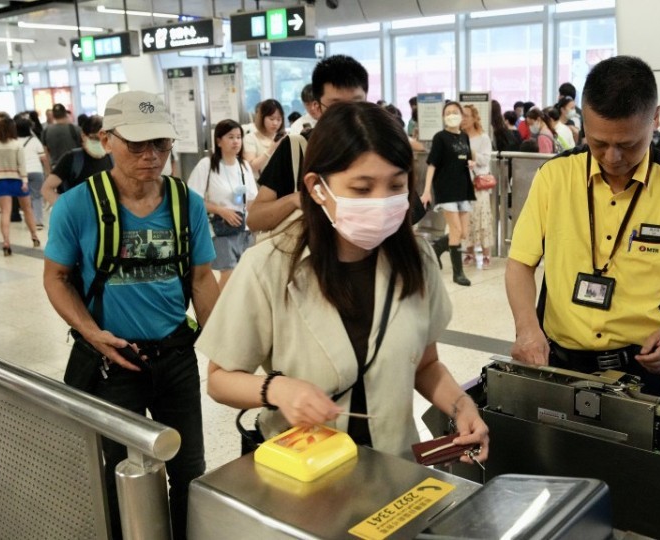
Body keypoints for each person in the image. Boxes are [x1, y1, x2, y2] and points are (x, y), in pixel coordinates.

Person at [197, 101, 489, 462]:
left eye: (395, 185)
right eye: (362, 190)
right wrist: (278, 389)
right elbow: (220, 379)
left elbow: (426, 366)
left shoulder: (417, 260)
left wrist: (461, 407)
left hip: (394, 471)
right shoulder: (269, 266)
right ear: (317, 188)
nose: (381, 202)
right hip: (305, 476)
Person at [43, 91, 219, 539]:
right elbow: (57, 278)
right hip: (112, 361)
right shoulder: (76, 206)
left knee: (189, 469)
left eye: (160, 144)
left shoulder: (186, 204)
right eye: (137, 144)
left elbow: (201, 279)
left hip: (176, 355)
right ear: (106, 140)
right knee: (122, 471)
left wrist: (223, 348)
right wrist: (91, 332)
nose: (151, 155)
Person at [506, 56, 660, 397]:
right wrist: (527, 329)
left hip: (644, 371)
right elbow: (521, 263)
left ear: (654, 119)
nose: (612, 157)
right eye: (598, 143)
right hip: (561, 364)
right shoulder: (555, 176)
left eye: (627, 144)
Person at [247, 55, 369, 233]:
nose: (349, 114)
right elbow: (255, 219)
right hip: (310, 257)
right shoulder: (297, 148)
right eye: (336, 106)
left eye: (357, 104)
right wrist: (295, 200)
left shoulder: (380, 146)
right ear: (317, 108)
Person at [187, 120, 258, 290]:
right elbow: (191, 199)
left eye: (239, 137)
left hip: (244, 229)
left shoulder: (244, 166)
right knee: (228, 276)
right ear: (219, 141)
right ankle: (218, 313)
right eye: (231, 137)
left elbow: (251, 200)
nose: (236, 142)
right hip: (220, 229)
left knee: (244, 276)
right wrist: (220, 210)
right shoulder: (207, 165)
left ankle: (236, 313)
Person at [420, 101, 475, 287]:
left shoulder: (464, 137)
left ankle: (437, 247)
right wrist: (427, 191)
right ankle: (458, 273)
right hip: (446, 189)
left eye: (454, 112)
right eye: (448, 113)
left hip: (464, 188)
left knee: (464, 232)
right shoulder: (440, 138)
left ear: (461, 115)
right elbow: (432, 165)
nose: (451, 115)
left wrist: (472, 164)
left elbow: (467, 159)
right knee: (456, 230)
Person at [0, 116, 38, 255]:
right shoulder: (17, 145)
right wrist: (25, 181)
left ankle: (6, 241)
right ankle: (34, 235)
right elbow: (22, 165)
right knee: (27, 209)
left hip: (1, 180)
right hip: (18, 180)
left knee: (5, 212)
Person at [42, 115, 113, 204]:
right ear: (84, 136)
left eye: (104, 139)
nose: (100, 142)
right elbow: (47, 189)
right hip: (79, 215)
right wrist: (66, 209)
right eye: (95, 138)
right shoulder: (72, 159)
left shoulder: (113, 157)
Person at [462, 104, 495, 269]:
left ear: (474, 117)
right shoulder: (459, 136)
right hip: (463, 183)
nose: (463, 119)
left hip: (479, 183)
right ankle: (469, 252)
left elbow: (485, 160)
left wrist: (471, 153)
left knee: (482, 217)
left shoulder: (483, 137)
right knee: (467, 218)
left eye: (467, 115)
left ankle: (486, 253)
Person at [15, 116, 49, 229]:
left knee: (24, 198)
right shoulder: (34, 141)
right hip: (36, 171)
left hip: (20, 173)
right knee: (37, 197)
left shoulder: (14, 142)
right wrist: (47, 171)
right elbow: (43, 158)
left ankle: (29, 221)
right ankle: (38, 221)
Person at [242, 98, 285, 176]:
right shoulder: (250, 138)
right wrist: (271, 149)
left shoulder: (283, 137)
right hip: (259, 185)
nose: (275, 123)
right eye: (271, 119)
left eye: (279, 119)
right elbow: (252, 167)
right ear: (262, 118)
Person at [42, 103, 81, 169]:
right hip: (74, 166)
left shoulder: (46, 131)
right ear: (65, 114)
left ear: (53, 115)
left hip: (56, 168)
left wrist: (49, 172)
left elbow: (46, 154)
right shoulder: (76, 129)